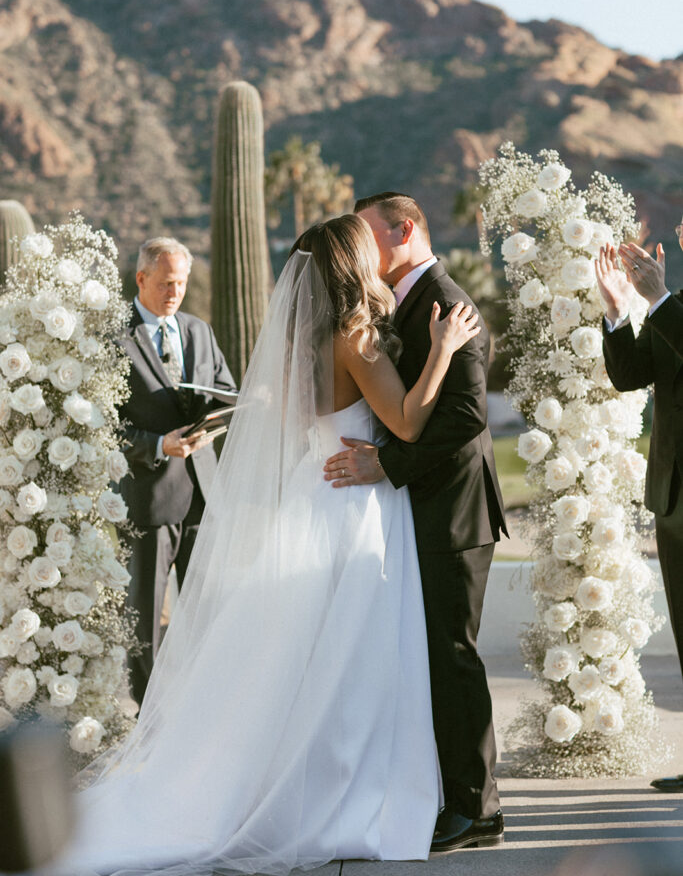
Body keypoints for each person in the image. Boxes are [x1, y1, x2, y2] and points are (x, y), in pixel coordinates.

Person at [60, 215, 481, 876]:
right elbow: (404, 420)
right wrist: (443, 351)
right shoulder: (356, 337)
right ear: (353, 263)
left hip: (313, 496)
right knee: (358, 658)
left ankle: (295, 785)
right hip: (358, 507)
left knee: (309, 658)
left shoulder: (303, 340)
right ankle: (349, 794)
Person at [324, 192, 508, 852]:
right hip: (418, 508)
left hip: (452, 512)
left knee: (451, 655)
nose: (357, 244)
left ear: (402, 229)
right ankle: (443, 792)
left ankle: (475, 808)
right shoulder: (401, 300)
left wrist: (388, 465)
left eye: (366, 232)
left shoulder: (446, 300)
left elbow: (465, 418)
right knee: (429, 655)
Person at [118, 236, 237, 704]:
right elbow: (102, 425)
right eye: (166, 283)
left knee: (207, 612)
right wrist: (157, 444)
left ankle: (203, 707)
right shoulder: (113, 337)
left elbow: (225, 388)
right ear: (141, 278)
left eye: (182, 284)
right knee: (144, 618)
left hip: (202, 494)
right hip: (147, 497)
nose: (175, 293)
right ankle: (148, 716)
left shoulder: (198, 330)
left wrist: (214, 423)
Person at [595, 221, 683, 793]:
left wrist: (661, 301)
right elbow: (631, 376)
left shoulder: (674, 304)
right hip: (674, 496)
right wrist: (620, 308)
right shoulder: (675, 305)